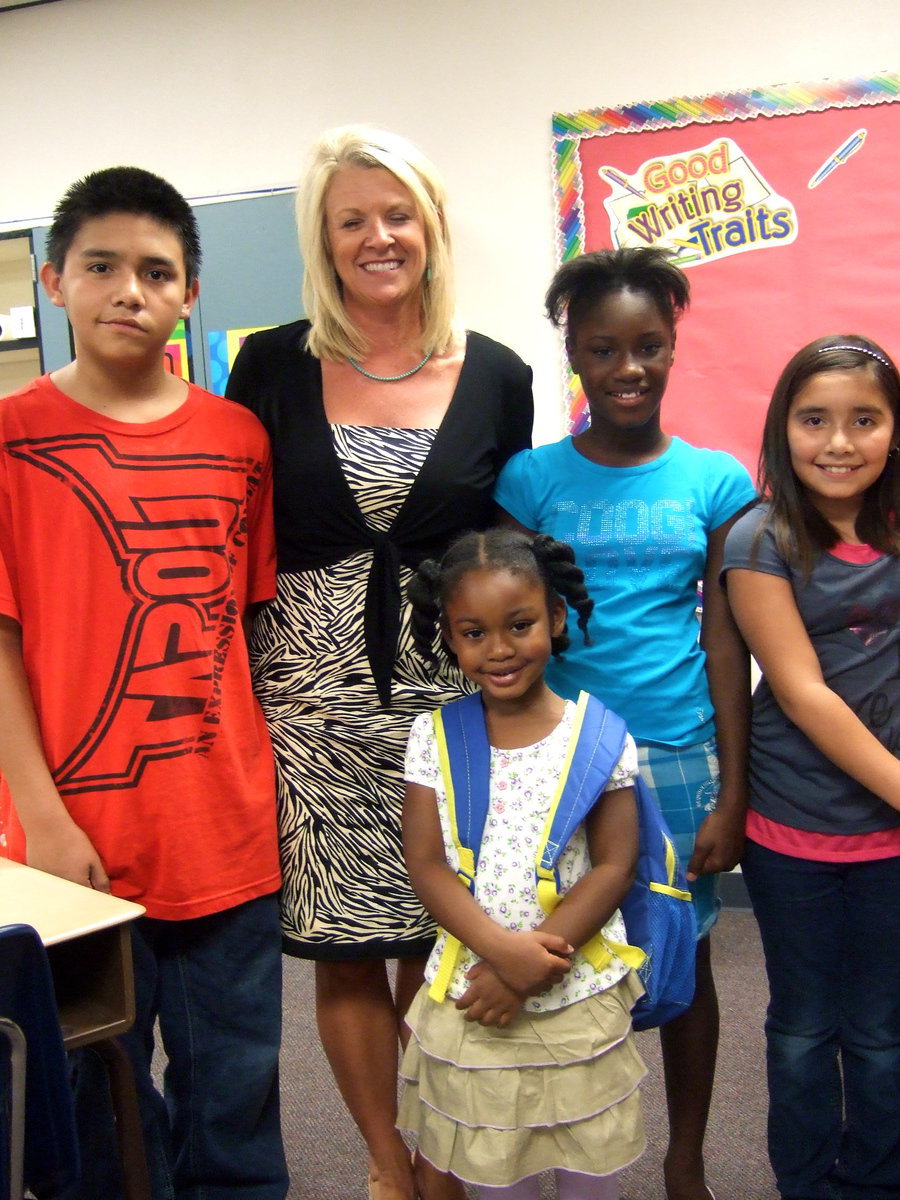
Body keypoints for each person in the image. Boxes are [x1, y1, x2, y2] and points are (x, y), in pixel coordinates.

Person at [225, 125, 533, 1200]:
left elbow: (506, 558)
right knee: (347, 946)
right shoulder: (269, 361)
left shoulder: (498, 372)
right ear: (323, 237)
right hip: (308, 704)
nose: (377, 236)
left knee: (439, 934)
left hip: (448, 698)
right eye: (351, 218)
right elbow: (233, 523)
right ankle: (387, 1160)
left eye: (397, 213)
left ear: (432, 226)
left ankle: (440, 1140)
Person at [0, 166, 287, 1199]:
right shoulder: (8, 437)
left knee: (237, 1096)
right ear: (54, 280)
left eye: (157, 272)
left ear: (189, 295)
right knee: (93, 1107)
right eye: (102, 266)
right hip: (65, 844)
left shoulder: (237, 438)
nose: (130, 289)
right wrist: (43, 819)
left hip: (227, 835)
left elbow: (237, 632)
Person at [493, 248, 757, 1200]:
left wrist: (735, 785)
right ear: (575, 356)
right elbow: (514, 637)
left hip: (678, 753)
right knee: (565, 956)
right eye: (605, 349)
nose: (629, 368)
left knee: (684, 964)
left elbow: (727, 642)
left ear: (675, 346)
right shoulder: (530, 481)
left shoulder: (717, 482)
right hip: (563, 760)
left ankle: (685, 1162)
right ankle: (574, 1162)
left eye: (649, 346)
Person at [399, 527, 646, 1200]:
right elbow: (425, 863)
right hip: (477, 994)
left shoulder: (598, 735)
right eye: (474, 632)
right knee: (495, 1172)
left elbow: (614, 865)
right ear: (449, 637)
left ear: (556, 617)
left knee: (589, 1165)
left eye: (519, 625)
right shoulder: (434, 735)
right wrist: (501, 957)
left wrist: (530, 967)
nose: (499, 649)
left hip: (571, 994)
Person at [722, 335, 900, 1200]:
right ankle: (806, 1182)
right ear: (781, 428)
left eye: (865, 420)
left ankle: (873, 1179)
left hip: (891, 846)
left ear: (894, 431)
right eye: (815, 420)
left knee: (882, 1031)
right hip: (793, 836)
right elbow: (802, 694)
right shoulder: (760, 539)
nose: (839, 442)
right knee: (801, 1028)